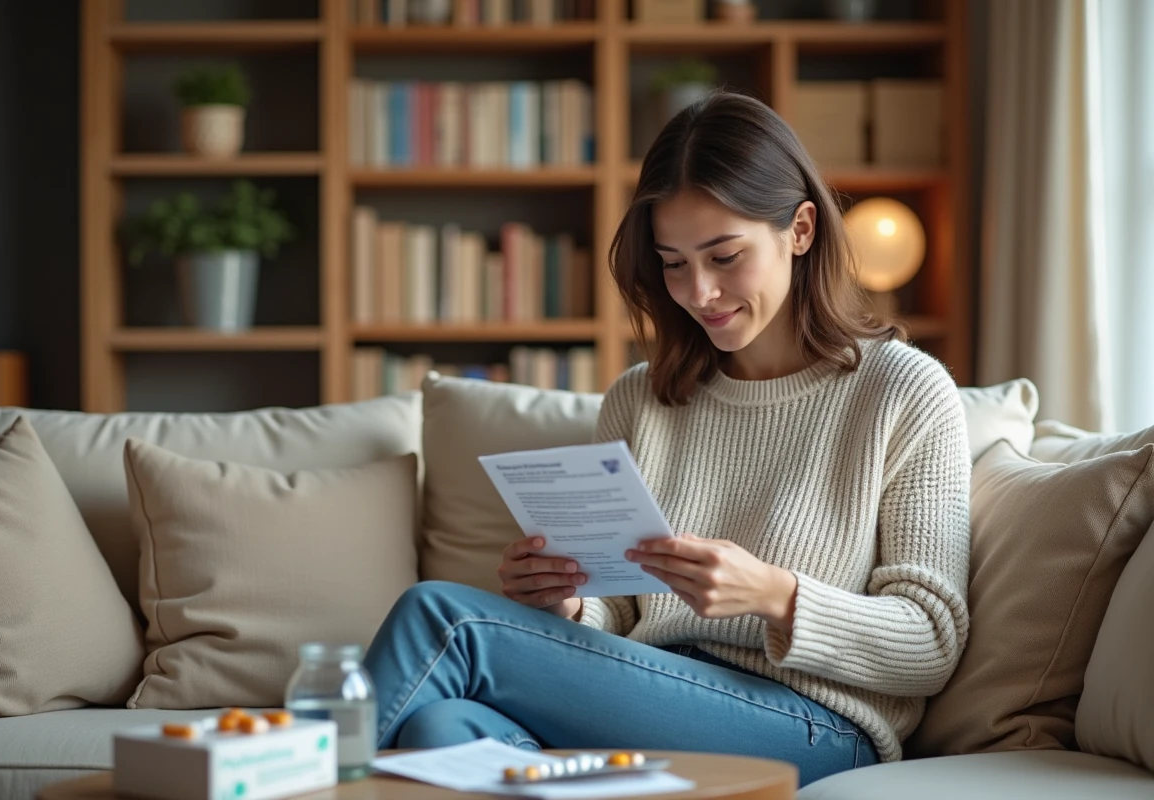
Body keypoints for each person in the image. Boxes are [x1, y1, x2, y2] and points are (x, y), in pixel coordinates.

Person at [362, 91, 971, 788]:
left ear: (800, 229)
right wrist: (568, 604)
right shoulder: (642, 397)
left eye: (724, 256)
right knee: (442, 731)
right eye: (674, 263)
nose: (700, 291)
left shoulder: (903, 392)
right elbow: (620, 612)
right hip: (651, 695)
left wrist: (775, 594)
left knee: (445, 620)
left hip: (814, 723)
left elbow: (931, 642)